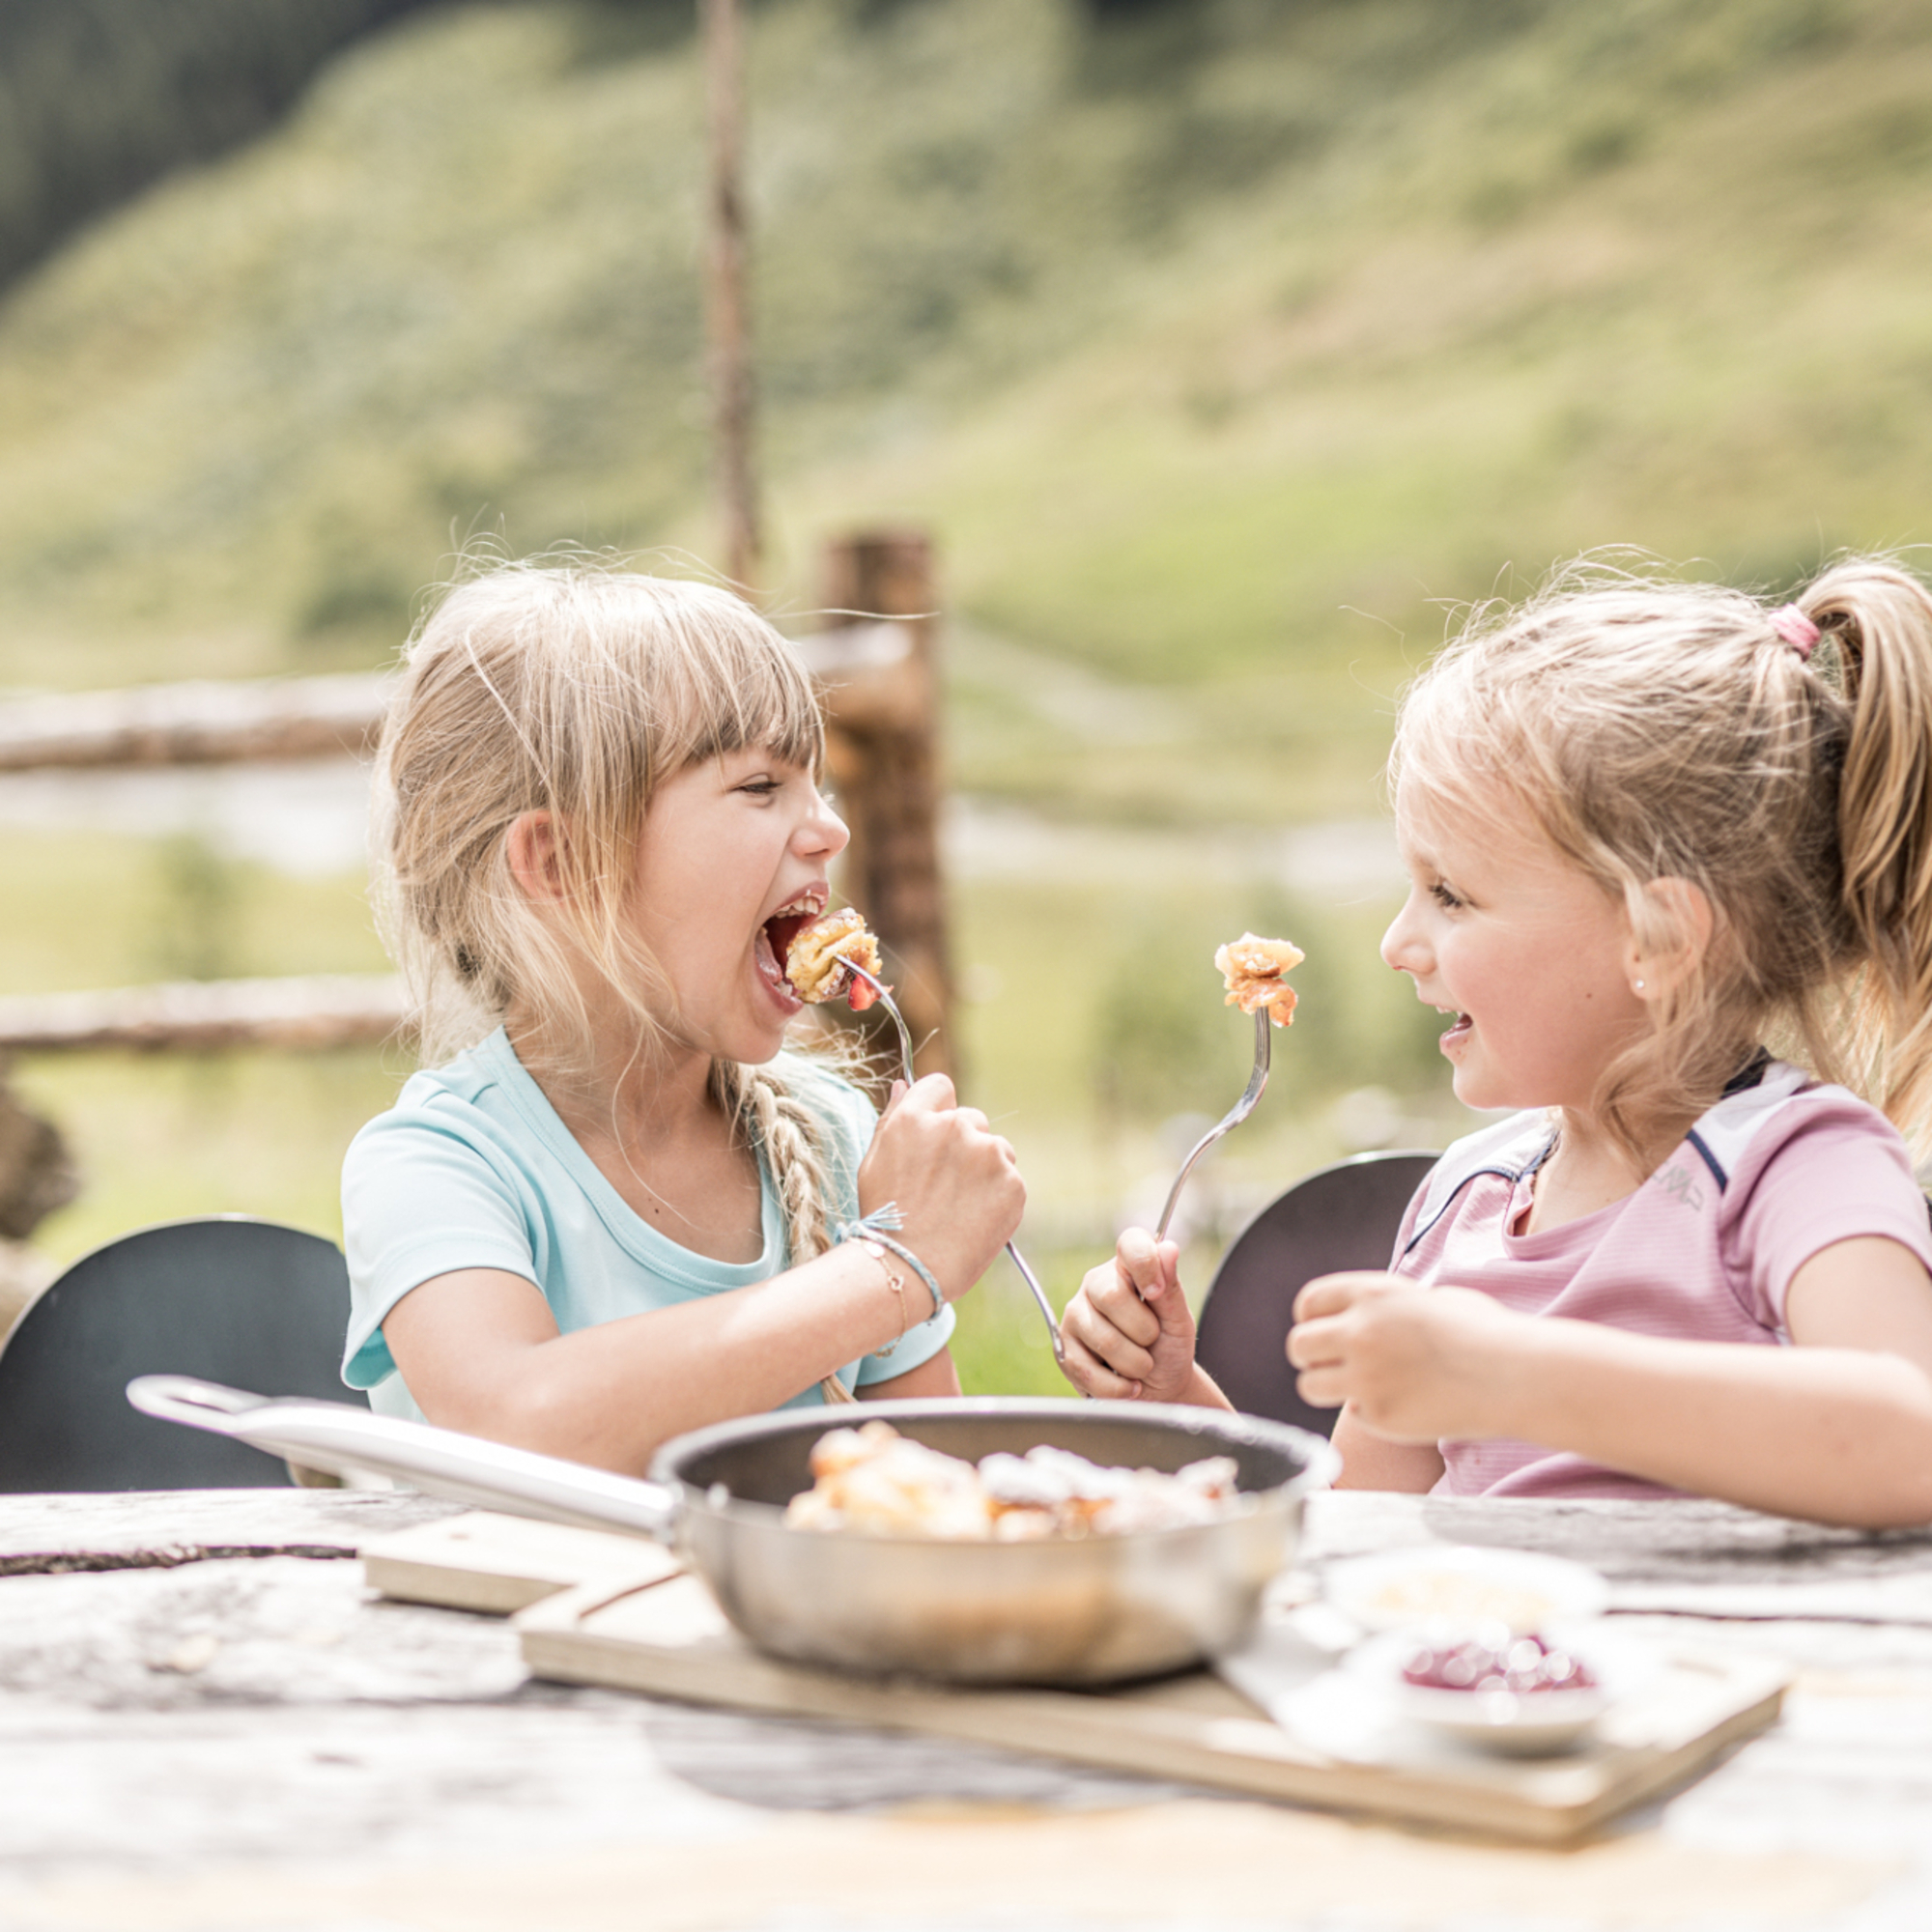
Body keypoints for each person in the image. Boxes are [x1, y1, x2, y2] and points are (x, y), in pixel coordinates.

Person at [1061, 554, 1932, 1528]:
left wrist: (1510, 1376)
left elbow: (1909, 1444)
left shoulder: (1792, 1165)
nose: (1396, 944)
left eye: (1449, 894)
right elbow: (1345, 1529)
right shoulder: (1462, 1200)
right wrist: (1172, 1402)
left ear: (1661, 939)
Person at [341, 555, 1025, 1470]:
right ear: (560, 865)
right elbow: (515, 1419)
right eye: (759, 787)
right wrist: (892, 1270)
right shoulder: (440, 1162)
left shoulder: (828, 1138)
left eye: (816, 782)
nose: (831, 827)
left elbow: (936, 1485)